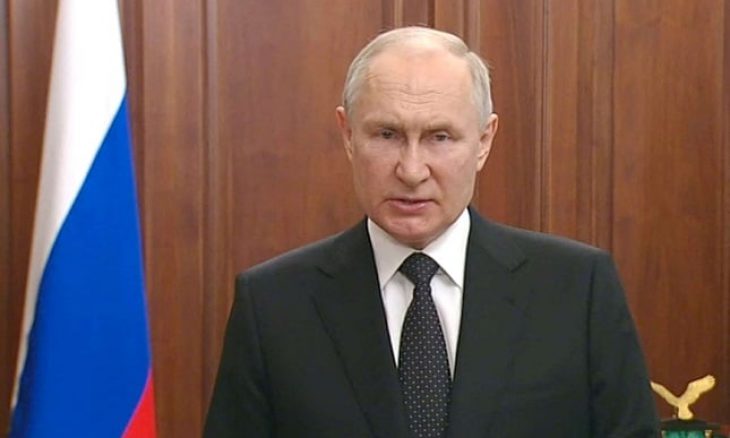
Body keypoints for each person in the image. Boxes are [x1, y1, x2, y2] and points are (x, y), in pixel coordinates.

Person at [204, 26, 659, 437]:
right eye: (387, 134)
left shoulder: (577, 289)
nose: (412, 169)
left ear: (484, 141)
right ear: (348, 134)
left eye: (440, 137)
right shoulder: (273, 306)